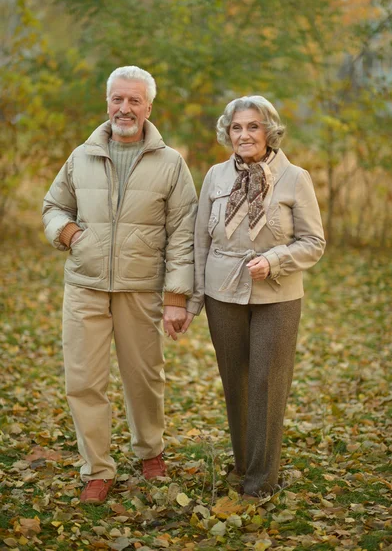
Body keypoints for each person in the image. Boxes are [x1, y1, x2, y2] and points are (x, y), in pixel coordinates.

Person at [43, 66, 197, 504]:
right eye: (117, 99)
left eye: (133, 101)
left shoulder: (170, 163)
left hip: (141, 287)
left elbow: (183, 233)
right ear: (107, 101)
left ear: (148, 107)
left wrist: (175, 298)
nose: (124, 108)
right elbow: (54, 205)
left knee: (144, 377)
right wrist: (69, 234)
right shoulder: (82, 155)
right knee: (83, 380)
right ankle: (97, 468)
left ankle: (150, 451)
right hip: (85, 285)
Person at [184, 95, 325, 498]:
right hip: (221, 291)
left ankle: (261, 481)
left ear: (270, 131)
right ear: (227, 133)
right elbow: (199, 241)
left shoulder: (295, 177)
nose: (244, 135)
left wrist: (276, 259)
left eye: (253, 126)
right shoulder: (214, 175)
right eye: (236, 127)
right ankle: (244, 462)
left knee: (267, 382)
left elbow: (314, 241)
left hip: (277, 294)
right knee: (236, 382)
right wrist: (194, 300)